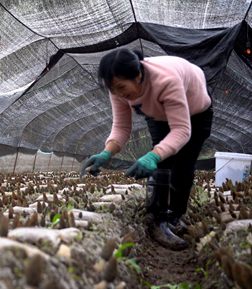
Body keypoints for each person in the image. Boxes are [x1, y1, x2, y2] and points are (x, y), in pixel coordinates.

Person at [82, 49, 213, 250]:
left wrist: (152, 155)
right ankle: (158, 221)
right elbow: (122, 127)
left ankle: (175, 216)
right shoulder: (117, 89)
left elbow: (182, 130)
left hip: (194, 112)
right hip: (158, 114)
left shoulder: (166, 81)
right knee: (162, 164)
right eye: (113, 89)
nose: (118, 93)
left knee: (182, 168)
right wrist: (106, 152)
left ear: (139, 75)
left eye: (121, 87)